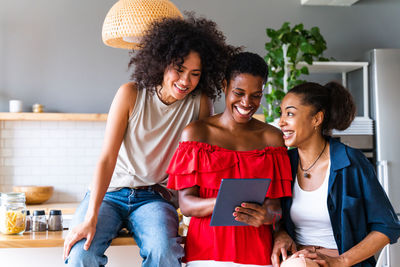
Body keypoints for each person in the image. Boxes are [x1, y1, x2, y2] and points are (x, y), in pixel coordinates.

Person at [63, 14, 238, 267]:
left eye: (195, 73)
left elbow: (201, 160)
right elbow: (107, 158)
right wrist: (90, 216)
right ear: (162, 63)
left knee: (165, 253)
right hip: (109, 194)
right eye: (179, 70)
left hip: (154, 197)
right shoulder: (130, 94)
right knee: (81, 253)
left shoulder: (200, 103)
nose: (185, 81)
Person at [166, 52, 293, 267]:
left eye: (256, 95)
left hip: (257, 254)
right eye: (239, 92)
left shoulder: (272, 138)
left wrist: (266, 216)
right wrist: (224, 202)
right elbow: (186, 204)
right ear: (225, 85)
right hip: (205, 253)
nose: (246, 102)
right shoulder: (196, 133)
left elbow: (277, 207)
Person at [272, 82, 400, 267]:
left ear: (317, 119)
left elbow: (387, 226)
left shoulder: (351, 162)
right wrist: (280, 233)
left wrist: (341, 261)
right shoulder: (285, 163)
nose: (281, 122)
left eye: (290, 114)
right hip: (297, 260)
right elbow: (275, 215)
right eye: (281, 113)